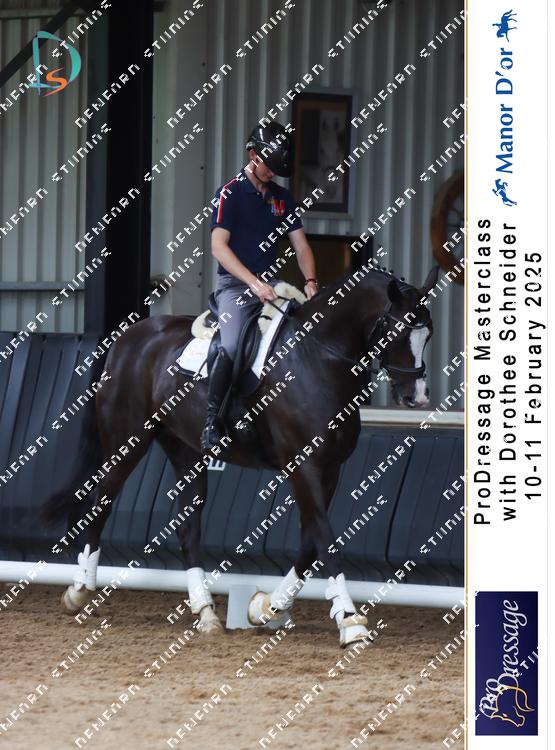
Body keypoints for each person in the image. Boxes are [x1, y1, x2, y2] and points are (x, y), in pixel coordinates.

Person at [201, 122, 319, 451]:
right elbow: (218, 248)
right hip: (236, 287)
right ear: (252, 154)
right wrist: (252, 283)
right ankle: (212, 421)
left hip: (273, 285)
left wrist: (310, 280)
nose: (272, 173)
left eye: (278, 168)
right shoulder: (230, 194)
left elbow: (301, 247)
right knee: (231, 346)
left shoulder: (282, 199)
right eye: (269, 166)